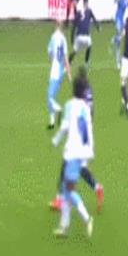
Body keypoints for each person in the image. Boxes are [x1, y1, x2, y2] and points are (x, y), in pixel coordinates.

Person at [49, 66, 104, 214]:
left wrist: (56, 139)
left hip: (77, 134)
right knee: (80, 168)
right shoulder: (88, 91)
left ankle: (60, 200)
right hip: (86, 133)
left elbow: (72, 116)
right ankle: (97, 187)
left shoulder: (78, 98)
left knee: (67, 167)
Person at [51, 76, 94, 238]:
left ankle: (87, 218)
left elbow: (64, 127)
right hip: (82, 152)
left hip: (72, 153)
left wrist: (55, 140)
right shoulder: (86, 108)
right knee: (65, 189)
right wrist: (89, 153)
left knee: (68, 190)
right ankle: (64, 227)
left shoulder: (70, 105)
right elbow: (88, 131)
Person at [47, 20, 72, 130]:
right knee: (52, 96)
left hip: (55, 71)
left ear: (55, 25)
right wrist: (69, 73)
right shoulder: (63, 39)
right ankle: (52, 122)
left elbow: (50, 53)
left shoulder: (53, 37)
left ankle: (59, 110)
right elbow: (66, 57)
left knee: (50, 97)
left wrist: (51, 61)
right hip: (61, 71)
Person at [69, 0, 100, 68]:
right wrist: (98, 27)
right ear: (87, 3)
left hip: (79, 36)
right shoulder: (89, 11)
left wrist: (72, 38)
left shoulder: (79, 12)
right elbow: (94, 19)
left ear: (83, 3)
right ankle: (86, 63)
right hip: (86, 36)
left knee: (75, 51)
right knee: (89, 46)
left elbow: (74, 26)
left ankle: (68, 63)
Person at [112, 0, 128, 69]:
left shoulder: (127, 0)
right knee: (119, 42)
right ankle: (118, 62)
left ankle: (114, 39)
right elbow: (115, 1)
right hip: (118, 19)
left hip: (122, 20)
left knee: (121, 36)